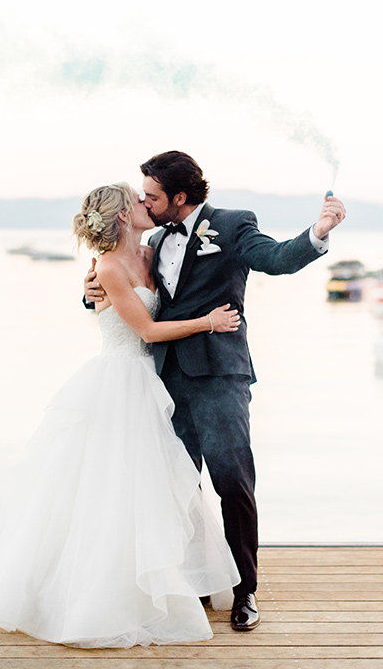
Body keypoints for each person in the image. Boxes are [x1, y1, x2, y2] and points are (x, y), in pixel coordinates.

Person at [0, 181, 242, 649]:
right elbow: (148, 329)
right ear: (119, 216)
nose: (145, 204)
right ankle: (101, 592)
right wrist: (207, 322)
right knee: (112, 487)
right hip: (120, 381)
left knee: (157, 484)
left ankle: (179, 577)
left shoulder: (153, 254)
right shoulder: (109, 267)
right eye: (137, 200)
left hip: (153, 383)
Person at [84, 151, 347, 631]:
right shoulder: (154, 237)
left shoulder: (232, 224)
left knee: (232, 481)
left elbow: (275, 259)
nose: (144, 200)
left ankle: (245, 590)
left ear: (179, 198)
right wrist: (89, 293)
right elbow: (123, 288)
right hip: (159, 379)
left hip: (220, 376)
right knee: (174, 488)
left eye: (153, 195)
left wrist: (319, 233)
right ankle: (195, 583)